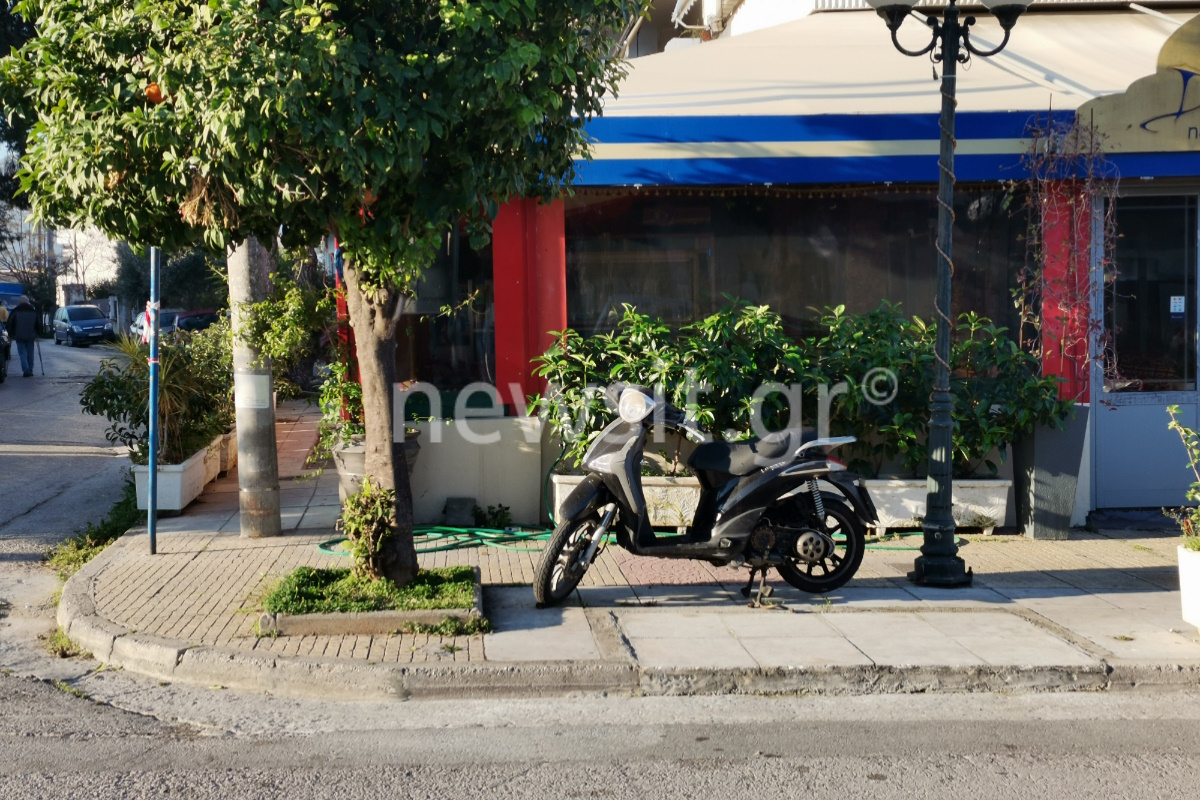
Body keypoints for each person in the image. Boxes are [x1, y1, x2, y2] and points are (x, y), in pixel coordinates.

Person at [5, 295, 39, 377]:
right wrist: (37, 333)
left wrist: (10, 333)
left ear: (20, 302)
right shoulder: (33, 311)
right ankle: (30, 370)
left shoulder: (15, 311)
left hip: (19, 335)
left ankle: (26, 370)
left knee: (22, 353)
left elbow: (10, 323)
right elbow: (38, 323)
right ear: (27, 302)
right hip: (31, 335)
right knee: (30, 353)